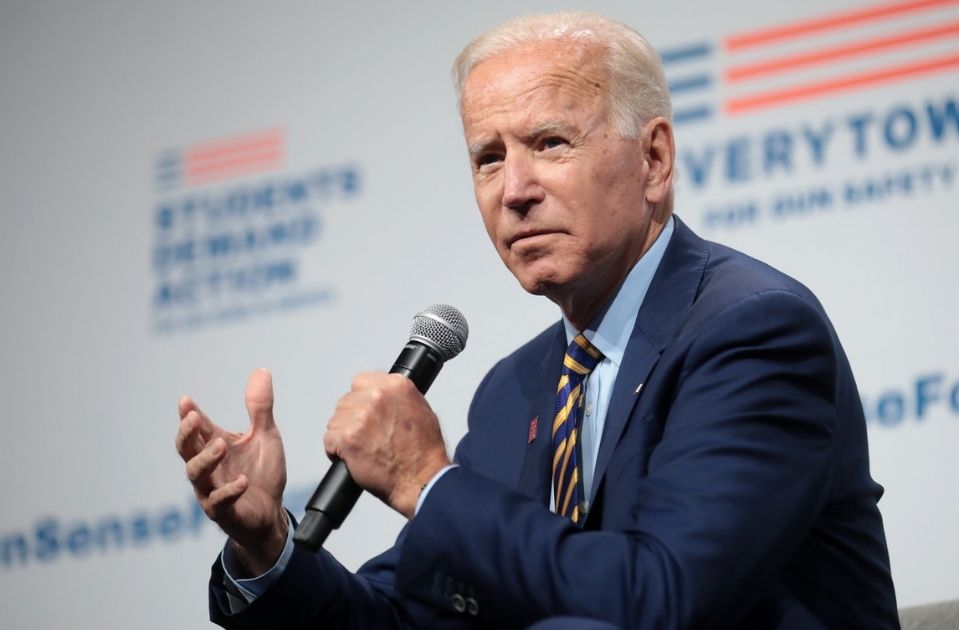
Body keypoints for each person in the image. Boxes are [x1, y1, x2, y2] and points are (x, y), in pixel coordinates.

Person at [175, 12, 899, 629]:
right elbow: (405, 615)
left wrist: (428, 482)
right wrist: (266, 547)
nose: (513, 192)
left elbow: (664, 600)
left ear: (653, 161)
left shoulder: (751, 332)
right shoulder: (515, 390)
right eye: (488, 159)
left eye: (549, 143)